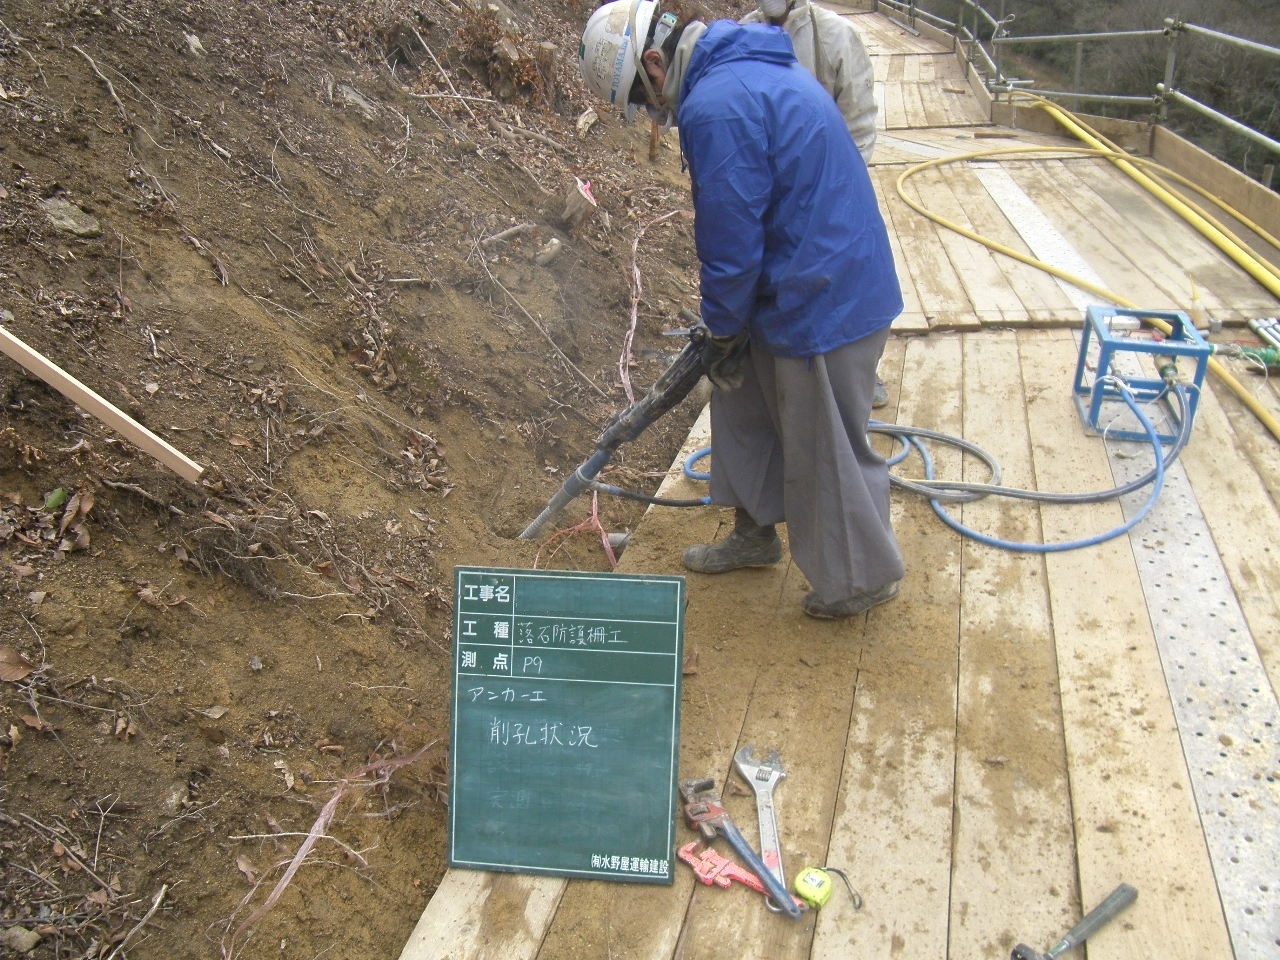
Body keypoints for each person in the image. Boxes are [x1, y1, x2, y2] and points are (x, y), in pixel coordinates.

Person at [578, 1, 905, 619]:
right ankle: (753, 534)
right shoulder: (740, 68)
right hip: (800, 277)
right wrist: (728, 331)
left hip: (824, 300)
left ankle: (861, 576)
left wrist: (724, 325)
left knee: (822, 447)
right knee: (742, 402)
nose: (656, 115)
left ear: (655, 63)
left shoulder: (717, 104)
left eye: (646, 102)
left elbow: (731, 238)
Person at [742, 0, 890, 408]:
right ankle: (791, 367)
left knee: (848, 276)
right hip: (776, 188)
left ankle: (859, 372)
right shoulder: (745, 33)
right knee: (784, 280)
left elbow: (859, 121)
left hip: (836, 184)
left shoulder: (835, 37)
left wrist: (839, 188)